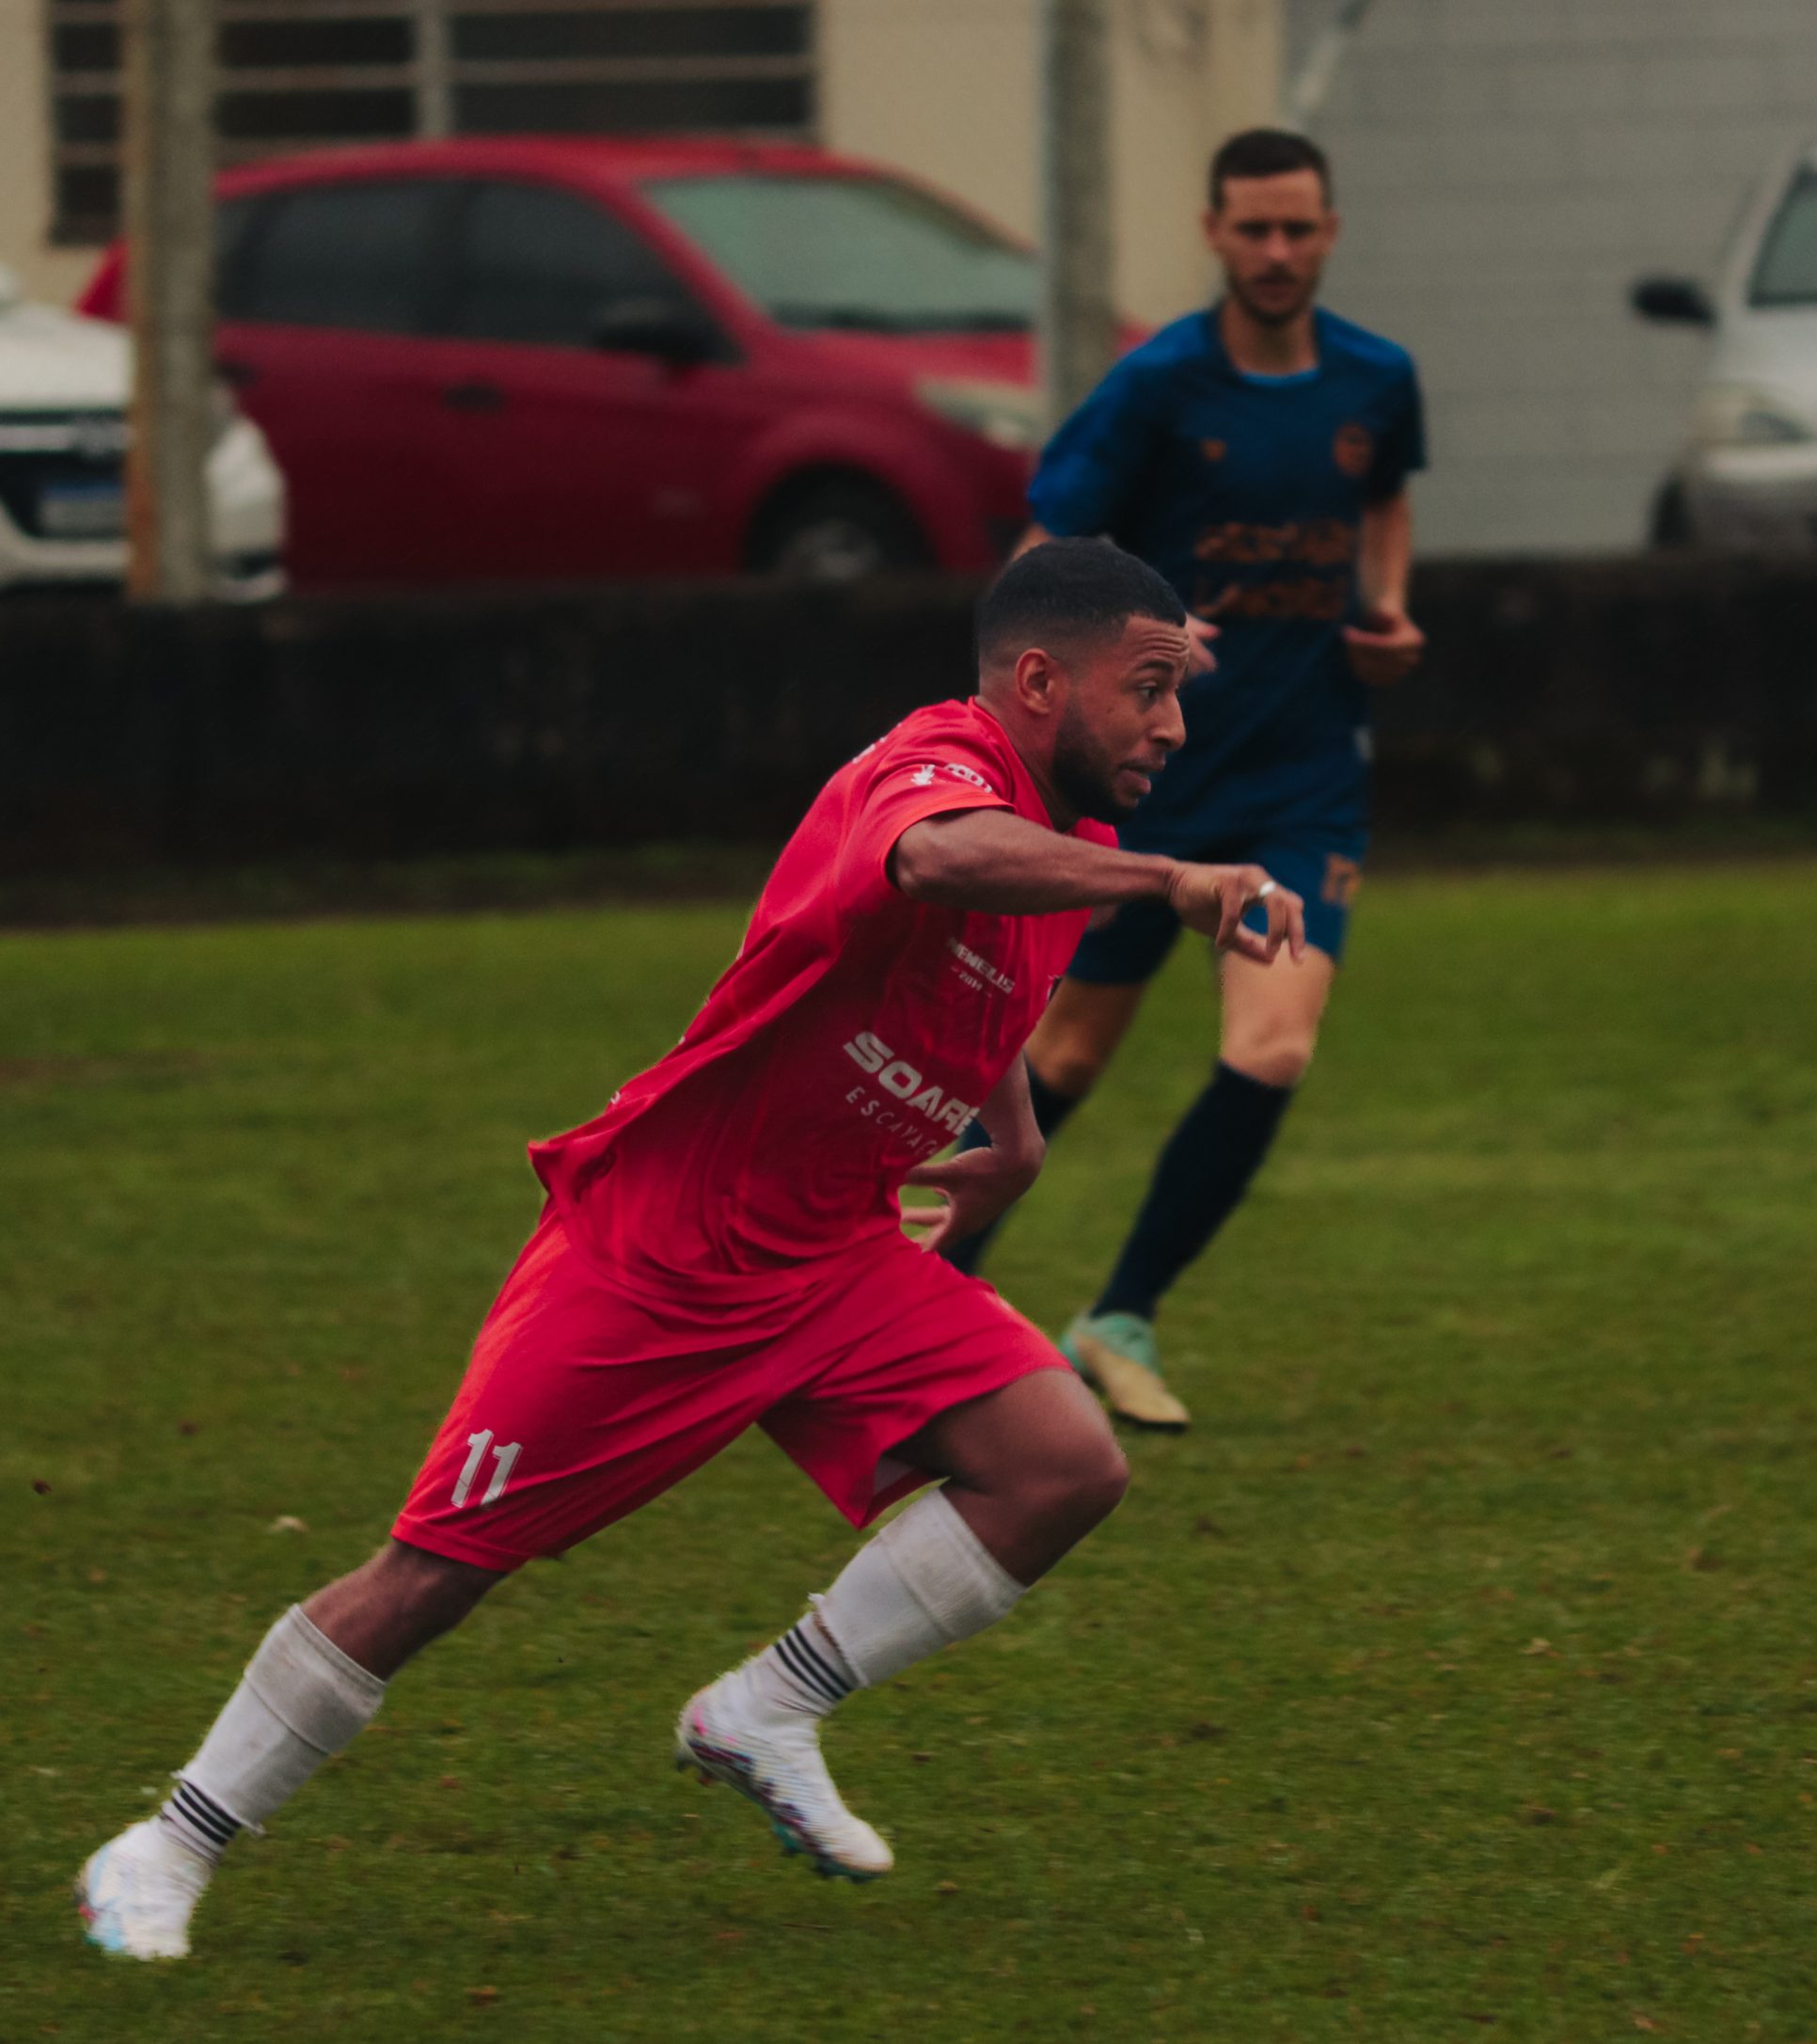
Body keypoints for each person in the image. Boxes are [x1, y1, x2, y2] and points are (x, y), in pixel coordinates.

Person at [76, 538, 1304, 1962]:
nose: (1174, 725)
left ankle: (764, 1708)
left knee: (1063, 1466)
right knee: (431, 1572)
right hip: (661, 1249)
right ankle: (168, 1838)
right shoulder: (934, 763)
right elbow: (935, 859)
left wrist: (1014, 1137)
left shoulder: (1071, 850)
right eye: (1148, 688)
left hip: (837, 1256)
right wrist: (1176, 881)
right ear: (1038, 680)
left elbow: (976, 972)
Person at [941, 128, 1426, 1433]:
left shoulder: (1380, 381)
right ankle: (926, 1289)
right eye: (1254, 230)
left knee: (1271, 1044)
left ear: (1329, 231)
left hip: (1305, 782)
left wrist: (1387, 613)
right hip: (1144, 786)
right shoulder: (1157, 388)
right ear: (1214, 233)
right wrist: (1126, 644)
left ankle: (1121, 1313)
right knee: (1072, 1050)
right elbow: (1046, 551)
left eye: (1299, 229)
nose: (1277, 253)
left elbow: (1383, 501)